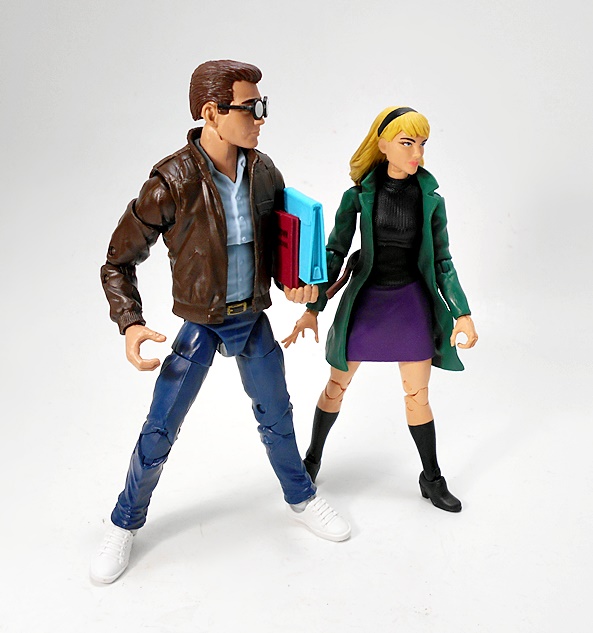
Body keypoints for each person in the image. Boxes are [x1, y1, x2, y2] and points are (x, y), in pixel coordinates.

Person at [90, 60, 350, 585]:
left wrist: (298, 284)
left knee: (277, 417)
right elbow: (117, 261)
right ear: (211, 113)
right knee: (160, 429)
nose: (260, 118)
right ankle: (124, 521)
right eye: (250, 108)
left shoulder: (264, 171)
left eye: (262, 106)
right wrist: (131, 322)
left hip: (252, 320)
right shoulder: (172, 182)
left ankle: (300, 496)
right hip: (201, 325)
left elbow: (280, 246)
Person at [283, 106, 478, 513]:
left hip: (410, 303)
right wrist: (313, 308)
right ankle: (312, 458)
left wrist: (461, 312)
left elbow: (443, 260)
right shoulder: (358, 196)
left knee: (417, 395)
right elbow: (334, 252)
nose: (417, 154)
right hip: (367, 301)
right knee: (336, 387)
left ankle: (432, 478)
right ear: (383, 145)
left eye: (422, 144)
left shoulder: (430, 200)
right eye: (407, 143)